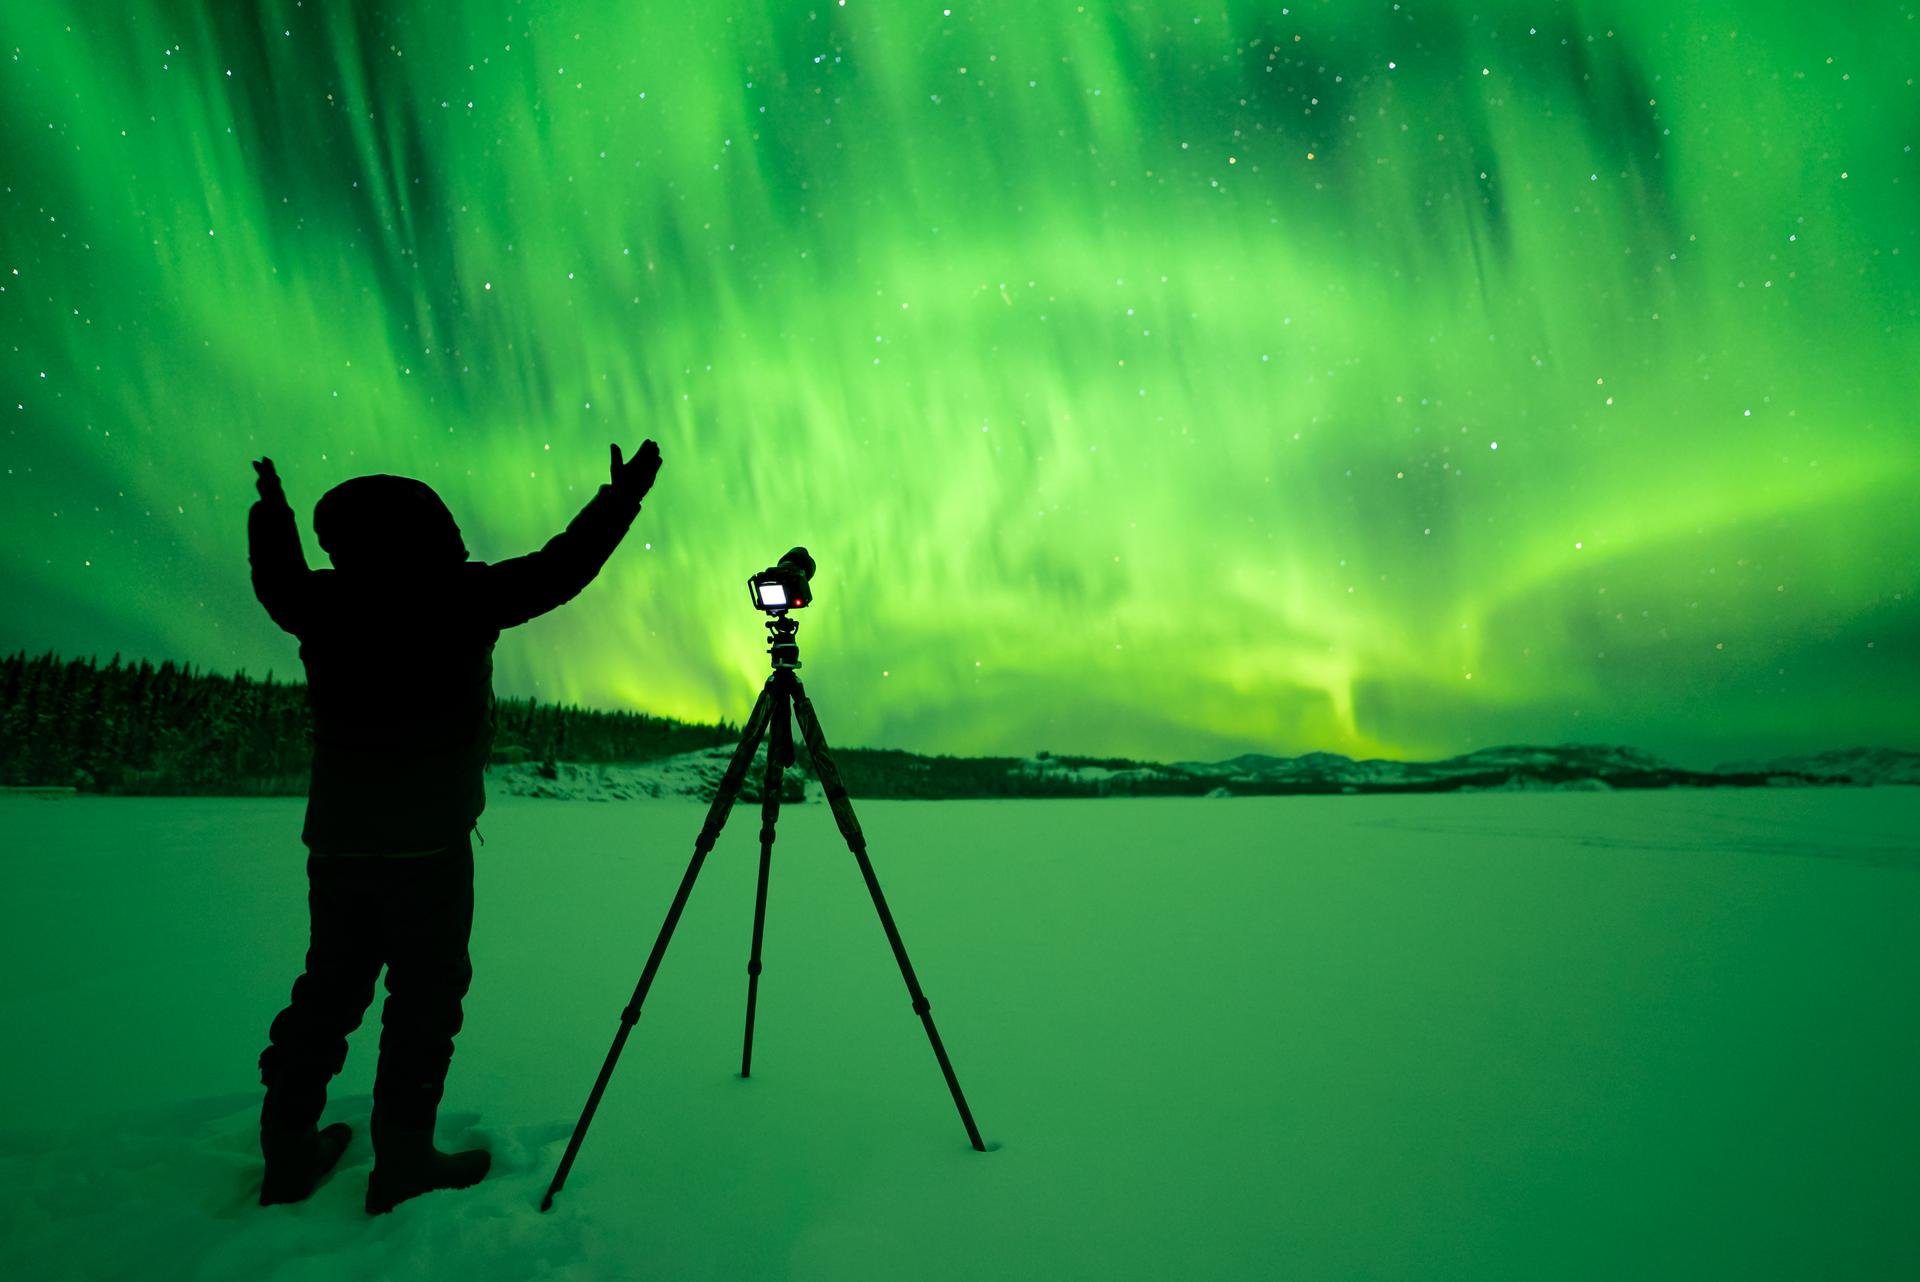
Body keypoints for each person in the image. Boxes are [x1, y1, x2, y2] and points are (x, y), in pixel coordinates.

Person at [247, 441, 663, 1213]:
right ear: (429, 529)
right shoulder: (461, 597)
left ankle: (287, 1155)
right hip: (429, 850)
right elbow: (563, 567)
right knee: (423, 1005)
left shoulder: (321, 602)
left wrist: (272, 514)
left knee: (326, 996)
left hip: (337, 845)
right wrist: (621, 498)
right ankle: (402, 1163)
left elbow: (274, 579)